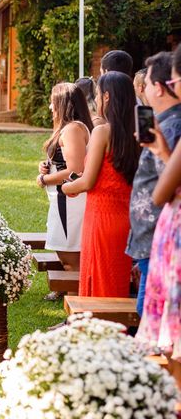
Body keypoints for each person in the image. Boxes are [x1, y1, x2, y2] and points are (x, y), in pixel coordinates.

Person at [62, 72, 140, 298]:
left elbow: (87, 181)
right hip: (125, 218)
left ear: (106, 96)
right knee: (115, 281)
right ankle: (115, 330)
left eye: (96, 93)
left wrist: (66, 188)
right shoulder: (137, 134)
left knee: (97, 279)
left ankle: (96, 328)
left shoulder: (103, 131)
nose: (95, 99)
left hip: (101, 218)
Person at [126, 51, 181, 317]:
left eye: (146, 84)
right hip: (152, 236)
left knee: (151, 314)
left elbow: (165, 188)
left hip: (162, 235)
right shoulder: (166, 124)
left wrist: (159, 151)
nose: (144, 90)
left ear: (159, 88)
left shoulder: (172, 128)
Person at [36, 83, 93, 299]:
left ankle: (74, 312)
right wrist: (48, 165)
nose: (51, 106)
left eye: (53, 101)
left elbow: (75, 169)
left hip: (69, 202)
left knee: (71, 259)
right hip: (63, 201)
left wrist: (44, 178)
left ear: (63, 103)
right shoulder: (72, 128)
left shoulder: (72, 129)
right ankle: (70, 301)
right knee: (65, 255)